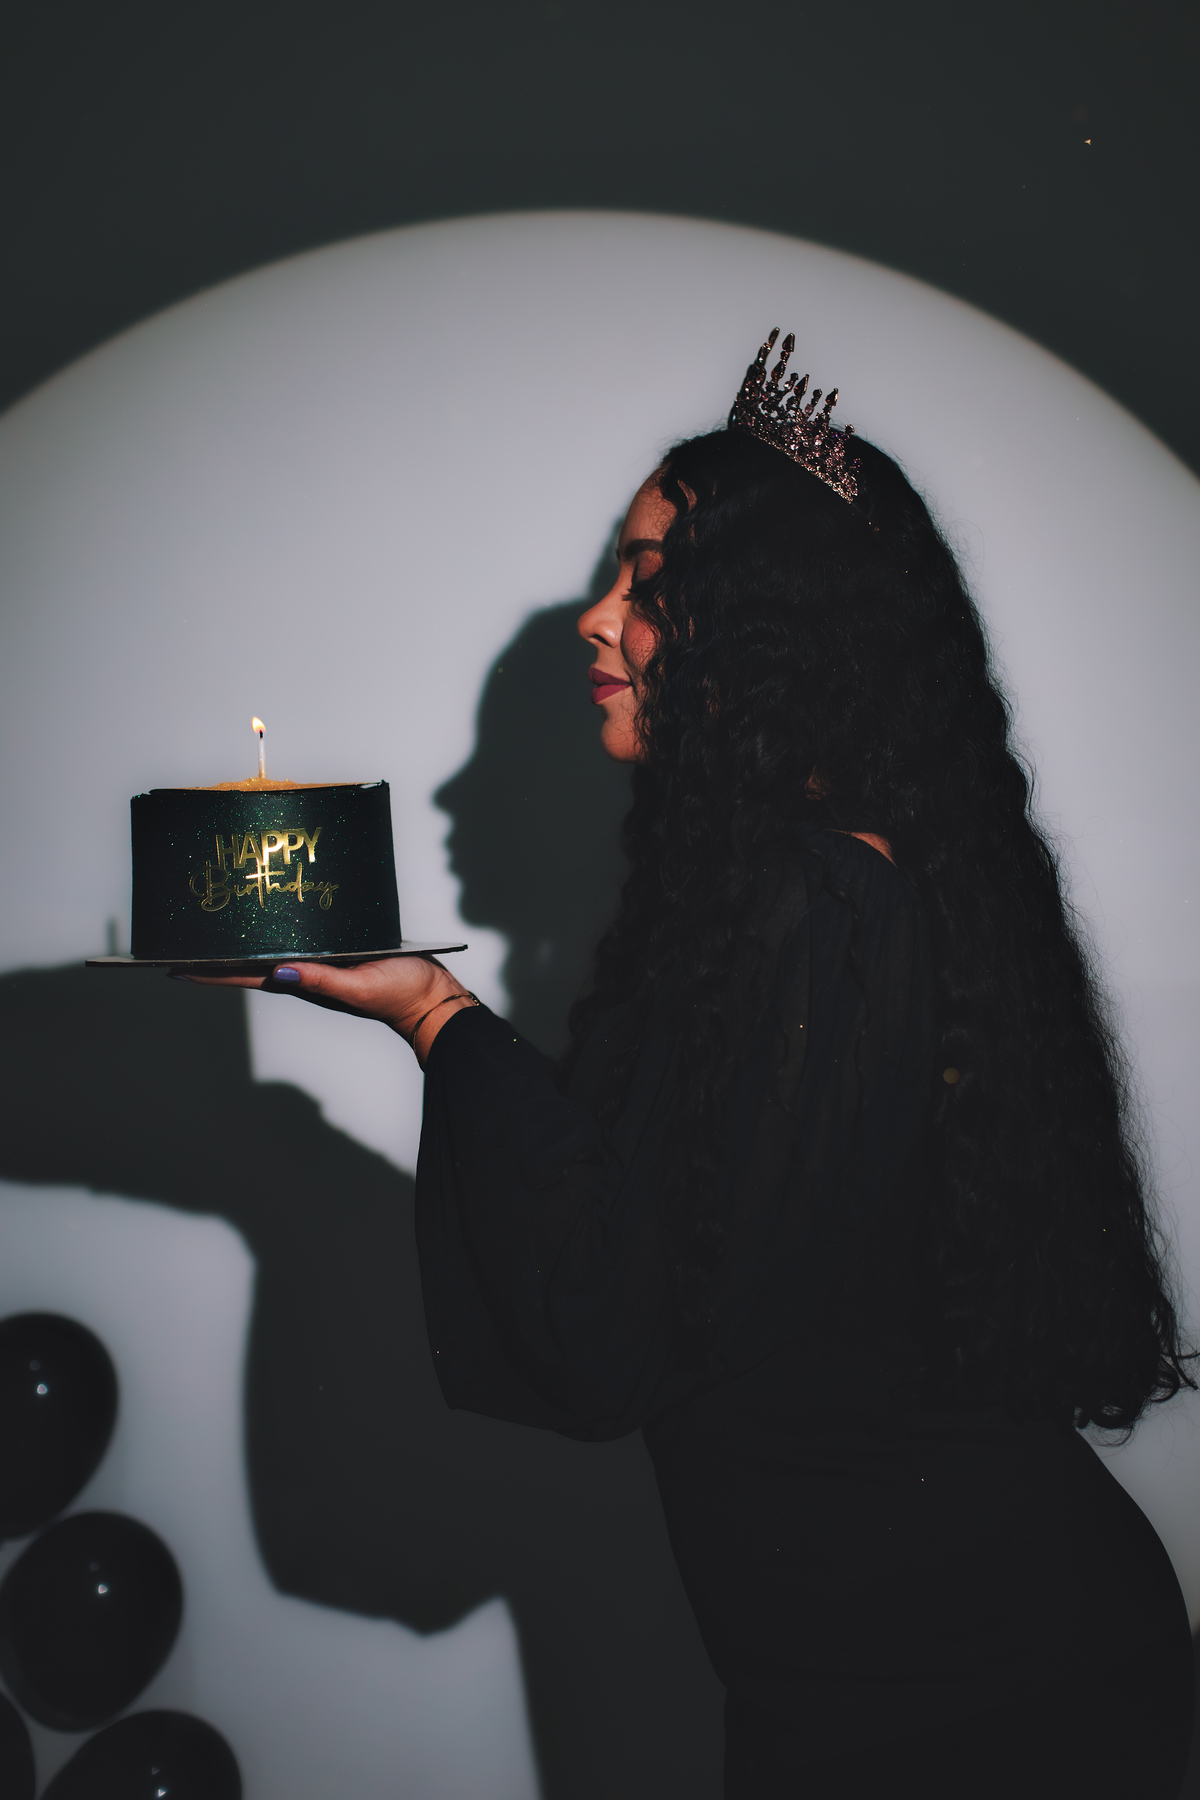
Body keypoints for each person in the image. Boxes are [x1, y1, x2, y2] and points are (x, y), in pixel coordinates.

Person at [192, 332, 1196, 1796]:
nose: (596, 621)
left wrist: (436, 1021)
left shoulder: (823, 909)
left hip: (972, 1701)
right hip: (891, 1674)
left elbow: (608, 1318)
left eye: (649, 584)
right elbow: (680, 1245)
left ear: (769, 630)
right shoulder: (825, 899)